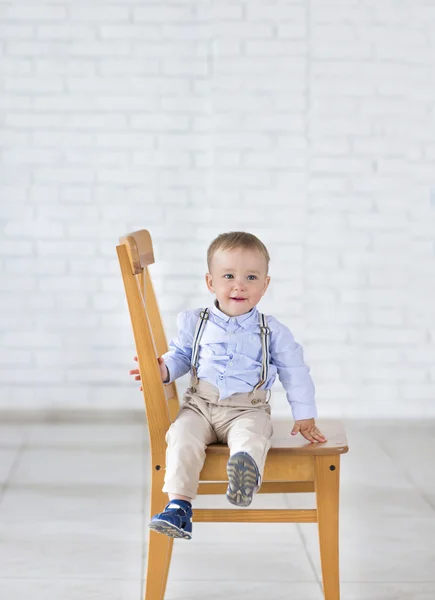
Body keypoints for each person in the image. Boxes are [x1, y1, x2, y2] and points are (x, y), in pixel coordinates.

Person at [129, 231, 326, 540]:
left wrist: (305, 415)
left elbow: (295, 372)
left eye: (251, 277)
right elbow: (182, 355)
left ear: (265, 284)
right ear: (211, 282)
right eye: (229, 276)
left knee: (251, 436)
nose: (239, 285)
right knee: (181, 435)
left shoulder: (272, 330)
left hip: (247, 409)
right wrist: (163, 370)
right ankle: (179, 507)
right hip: (200, 407)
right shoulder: (196, 321)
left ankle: (243, 474)